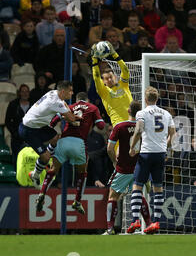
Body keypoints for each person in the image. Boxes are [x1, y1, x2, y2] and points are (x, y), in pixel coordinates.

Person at [36, 91, 105, 213]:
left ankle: (42, 193)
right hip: (79, 143)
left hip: (64, 141)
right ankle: (77, 201)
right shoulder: (93, 108)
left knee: (53, 170)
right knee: (82, 173)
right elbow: (100, 126)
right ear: (87, 100)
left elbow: (53, 121)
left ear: (77, 99)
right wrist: (96, 120)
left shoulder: (70, 107)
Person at [127, 86, 176, 234]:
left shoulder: (142, 113)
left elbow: (138, 130)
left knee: (137, 185)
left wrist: (132, 146)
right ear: (157, 98)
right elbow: (173, 134)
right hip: (160, 154)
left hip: (146, 153)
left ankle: (135, 219)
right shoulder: (166, 113)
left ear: (145, 99)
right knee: (158, 187)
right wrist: (165, 146)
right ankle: (155, 222)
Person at [18, 80, 80, 189]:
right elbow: (71, 119)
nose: (72, 93)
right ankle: (36, 173)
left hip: (38, 126)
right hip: (28, 130)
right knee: (46, 157)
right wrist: (77, 116)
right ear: (63, 91)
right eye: (70, 91)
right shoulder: (55, 103)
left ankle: (44, 160)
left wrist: (69, 113)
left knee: (55, 138)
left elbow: (64, 106)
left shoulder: (53, 93)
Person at [103, 100, 151, 235]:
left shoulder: (120, 126)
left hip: (123, 168)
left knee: (113, 196)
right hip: (139, 167)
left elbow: (109, 149)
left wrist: (114, 161)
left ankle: (110, 228)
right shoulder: (144, 127)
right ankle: (149, 224)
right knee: (138, 195)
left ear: (128, 111)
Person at [91, 40, 132, 128]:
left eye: (111, 77)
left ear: (115, 77)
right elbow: (96, 77)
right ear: (104, 82)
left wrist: (114, 54)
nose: (109, 79)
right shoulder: (104, 91)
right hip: (118, 126)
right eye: (106, 78)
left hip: (133, 123)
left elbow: (125, 70)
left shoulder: (123, 85)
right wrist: (94, 59)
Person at [5, 84, 31, 168]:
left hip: (31, 136)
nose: (24, 93)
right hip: (17, 137)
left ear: (29, 93)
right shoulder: (13, 104)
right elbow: (7, 121)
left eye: (26, 91)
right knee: (17, 161)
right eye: (22, 91)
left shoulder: (34, 105)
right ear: (19, 93)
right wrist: (15, 133)